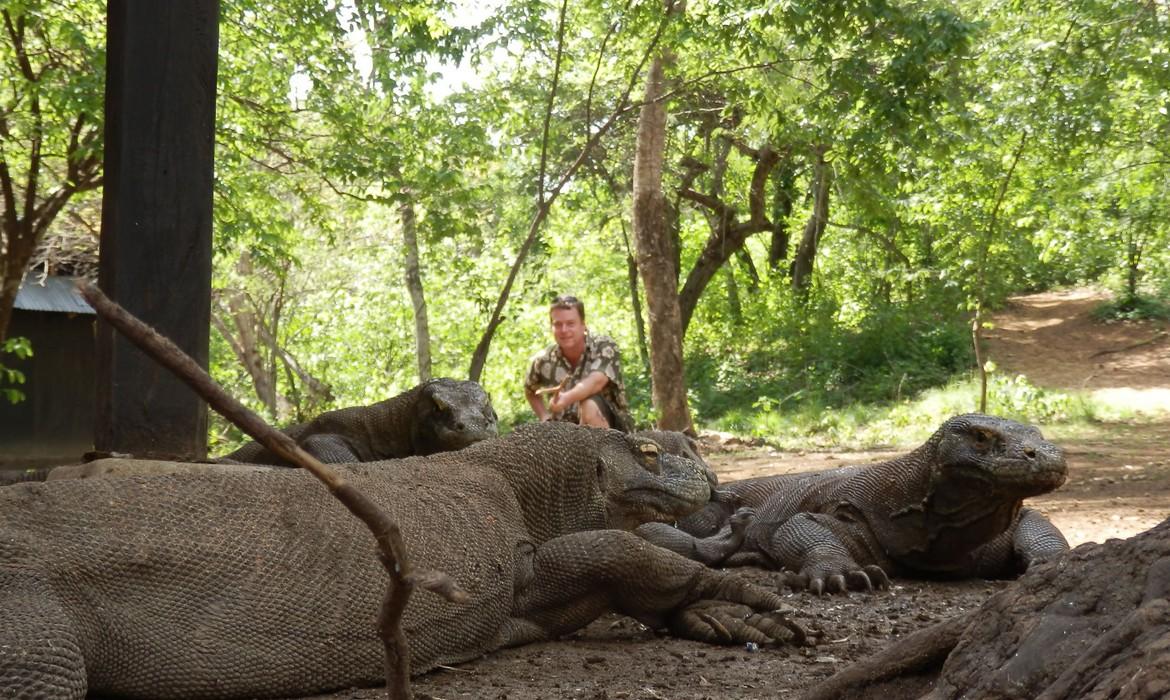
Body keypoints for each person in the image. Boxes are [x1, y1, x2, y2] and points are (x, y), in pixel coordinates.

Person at [524, 295, 633, 431]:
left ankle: (604, 452)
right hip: (566, 435)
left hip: (613, 432)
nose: (564, 330)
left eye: (570, 324)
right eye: (558, 324)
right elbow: (530, 390)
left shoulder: (604, 347)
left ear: (583, 324)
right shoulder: (542, 360)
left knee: (589, 406)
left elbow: (597, 381)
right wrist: (544, 416)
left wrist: (566, 398)